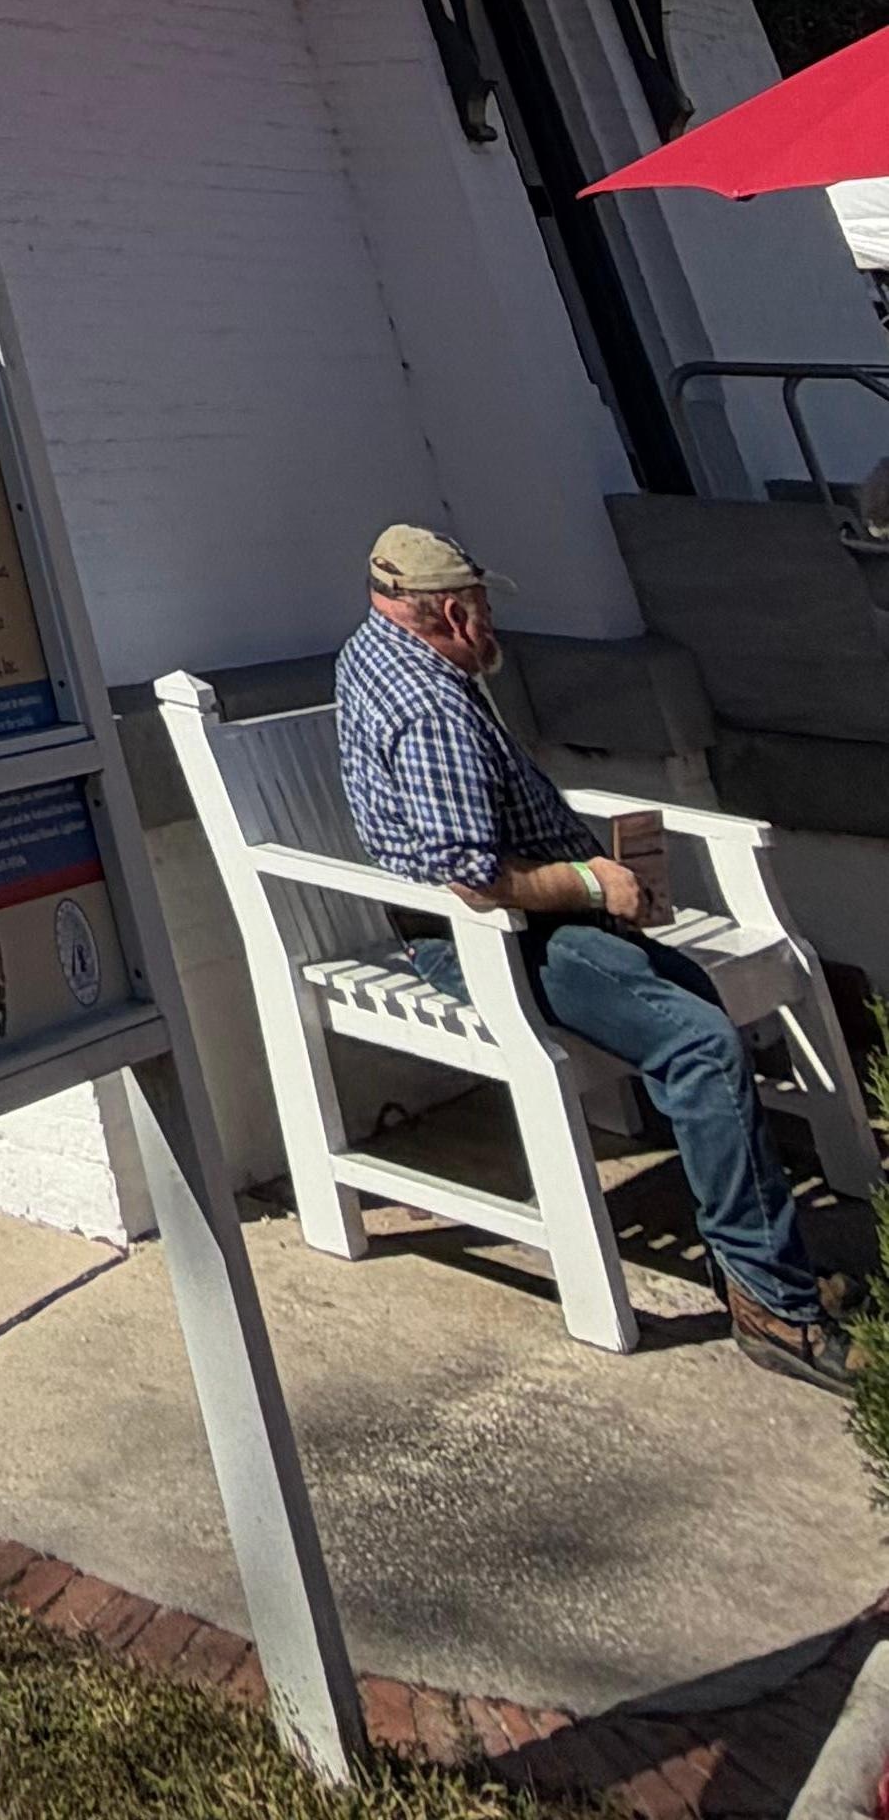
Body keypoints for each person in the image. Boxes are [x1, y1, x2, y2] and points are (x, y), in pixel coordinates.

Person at [335, 518, 844, 1379]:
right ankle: (774, 1310)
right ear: (451, 614)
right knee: (702, 1045)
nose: (493, 625)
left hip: (521, 922)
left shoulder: (379, 649)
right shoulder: (431, 708)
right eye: (485, 608)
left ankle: (750, 1252)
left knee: (691, 997)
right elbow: (475, 876)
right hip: (491, 942)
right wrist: (591, 885)